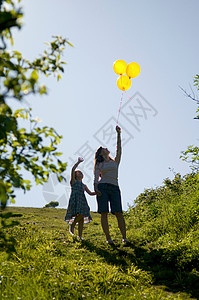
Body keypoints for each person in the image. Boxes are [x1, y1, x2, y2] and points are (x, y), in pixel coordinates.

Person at [94, 125, 129, 245]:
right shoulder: (99, 164)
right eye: (103, 148)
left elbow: (119, 149)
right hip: (102, 188)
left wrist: (119, 134)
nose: (106, 148)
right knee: (104, 213)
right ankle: (108, 239)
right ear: (100, 153)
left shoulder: (115, 161)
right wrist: (96, 188)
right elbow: (95, 177)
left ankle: (124, 238)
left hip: (114, 187)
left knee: (118, 212)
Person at [65, 157, 96, 240]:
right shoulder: (73, 182)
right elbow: (72, 169)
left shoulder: (84, 185)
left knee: (82, 218)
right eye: (78, 173)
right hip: (75, 200)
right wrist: (78, 162)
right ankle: (73, 224)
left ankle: (80, 236)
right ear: (75, 175)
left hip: (82, 201)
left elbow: (90, 193)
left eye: (81, 173)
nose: (80, 174)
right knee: (79, 215)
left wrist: (98, 192)